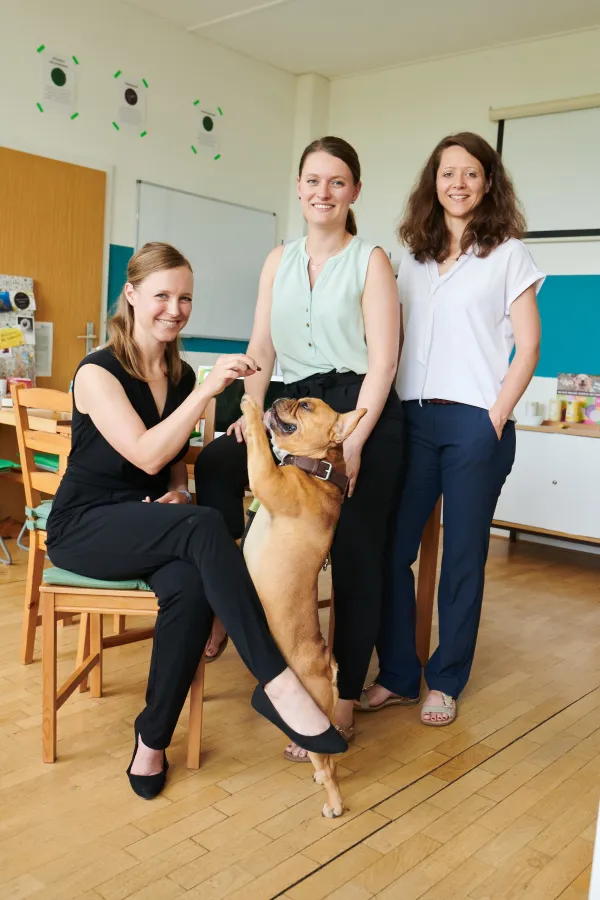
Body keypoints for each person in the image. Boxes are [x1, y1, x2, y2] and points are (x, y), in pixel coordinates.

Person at [46, 242, 346, 799]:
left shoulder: (179, 375)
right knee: (210, 524)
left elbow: (173, 470)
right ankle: (278, 684)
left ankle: (151, 740)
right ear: (132, 295)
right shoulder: (97, 372)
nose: (174, 308)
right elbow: (145, 455)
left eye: (185, 297)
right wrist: (210, 391)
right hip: (84, 525)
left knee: (190, 584)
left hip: (149, 524)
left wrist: (180, 494)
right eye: (161, 295)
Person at [195, 136, 404, 760]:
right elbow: (260, 349)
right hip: (291, 408)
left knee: (359, 548)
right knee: (214, 463)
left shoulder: (372, 261)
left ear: (354, 192)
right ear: (299, 187)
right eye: (313, 180)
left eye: (336, 182)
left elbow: (384, 360)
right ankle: (228, 604)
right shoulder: (277, 260)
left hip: (353, 405)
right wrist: (249, 415)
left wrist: (355, 440)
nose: (323, 192)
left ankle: (342, 694)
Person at [359, 132, 544, 725]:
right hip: (410, 419)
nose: (457, 184)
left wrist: (495, 415)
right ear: (432, 182)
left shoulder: (508, 253)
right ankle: (398, 675)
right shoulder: (407, 256)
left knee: (463, 557)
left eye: (470, 174)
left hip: (473, 423)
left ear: (487, 183)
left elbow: (529, 345)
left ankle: (446, 679)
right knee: (391, 551)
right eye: (447, 173)